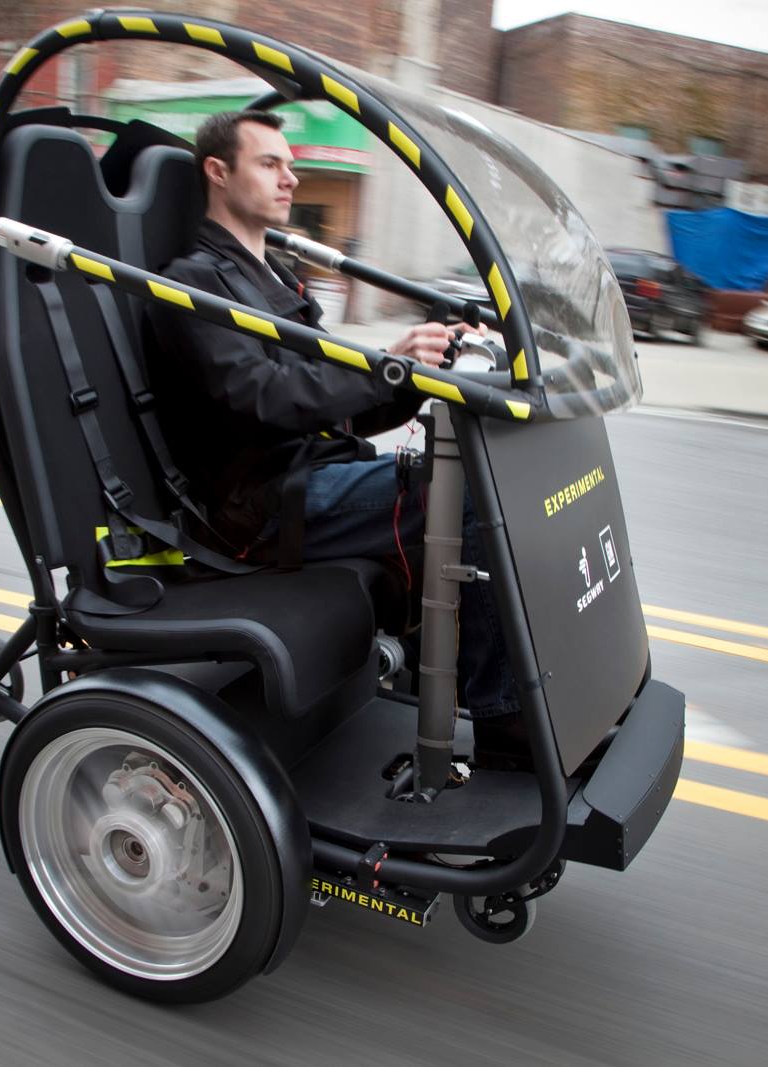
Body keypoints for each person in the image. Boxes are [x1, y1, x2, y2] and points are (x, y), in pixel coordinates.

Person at [146, 111, 529, 768]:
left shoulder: (274, 279)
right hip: (266, 505)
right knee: (469, 499)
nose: (290, 177)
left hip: (313, 474)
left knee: (490, 474)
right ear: (218, 171)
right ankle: (503, 723)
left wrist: (417, 375)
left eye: (290, 164)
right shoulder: (194, 283)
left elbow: (333, 410)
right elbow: (265, 399)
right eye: (269, 163)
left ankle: (505, 693)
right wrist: (389, 364)